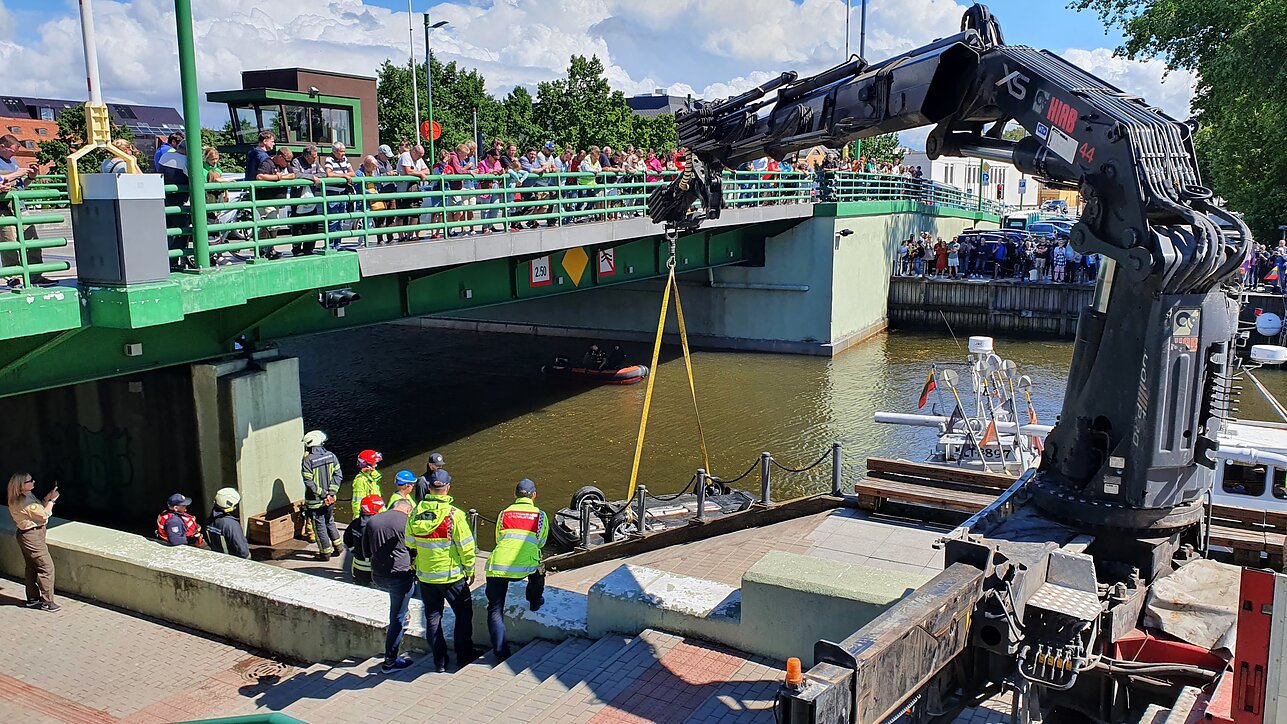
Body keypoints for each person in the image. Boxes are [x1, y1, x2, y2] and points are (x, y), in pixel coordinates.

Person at [405, 471, 477, 672]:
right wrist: (470, 569)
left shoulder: (416, 512)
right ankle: (464, 656)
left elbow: (409, 542)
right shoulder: (454, 515)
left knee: (432, 617)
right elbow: (466, 547)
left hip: (426, 576)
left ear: (429, 488)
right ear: (448, 488)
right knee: (463, 614)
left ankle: (439, 661)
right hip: (451, 576)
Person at [484, 478, 549, 662]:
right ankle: (535, 601)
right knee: (538, 573)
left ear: (515, 495)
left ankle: (500, 652)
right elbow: (541, 542)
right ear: (534, 495)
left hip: (498, 566)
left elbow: (498, 538)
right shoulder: (540, 516)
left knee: (495, 610)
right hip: (525, 566)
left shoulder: (504, 514)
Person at [365, 496, 416, 673]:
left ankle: (406, 613)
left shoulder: (373, 520)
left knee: (399, 609)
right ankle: (390, 661)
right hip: (400, 575)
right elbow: (414, 548)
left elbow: (364, 550)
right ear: (408, 510)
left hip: (378, 575)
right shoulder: (407, 522)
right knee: (397, 618)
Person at [0, 134, 53, 287]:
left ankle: (36, 275)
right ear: (2, 146)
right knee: (9, 242)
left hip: (20, 206)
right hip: (4, 209)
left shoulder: (13, 161)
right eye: (11, 151)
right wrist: (15, 175)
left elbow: (20, 186)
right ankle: (13, 277)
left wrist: (30, 177)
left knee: (32, 241)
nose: (13, 154)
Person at [6, 472, 59, 611]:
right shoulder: (25, 501)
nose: (34, 482)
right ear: (21, 485)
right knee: (46, 567)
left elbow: (38, 509)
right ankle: (48, 602)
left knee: (31, 567)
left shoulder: (22, 497)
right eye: (30, 481)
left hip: (26, 535)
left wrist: (47, 498)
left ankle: (33, 598)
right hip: (32, 536)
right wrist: (52, 501)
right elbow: (43, 516)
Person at [301, 429, 344, 561]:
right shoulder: (331, 455)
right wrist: (331, 492)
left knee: (319, 525)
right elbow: (338, 475)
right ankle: (338, 547)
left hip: (316, 501)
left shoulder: (308, 460)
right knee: (330, 521)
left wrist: (322, 494)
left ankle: (325, 553)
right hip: (331, 499)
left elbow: (308, 481)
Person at [289, 144, 326, 256]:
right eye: (313, 157)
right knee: (298, 225)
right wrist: (311, 177)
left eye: (316, 156)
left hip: (311, 198)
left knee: (312, 225)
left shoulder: (315, 162)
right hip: (298, 197)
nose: (315, 159)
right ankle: (296, 249)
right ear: (306, 156)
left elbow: (323, 174)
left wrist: (310, 176)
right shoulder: (296, 162)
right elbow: (295, 174)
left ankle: (308, 248)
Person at [345, 494, 384, 586]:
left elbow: (347, 539)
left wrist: (355, 550)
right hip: (373, 570)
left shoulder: (355, 523)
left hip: (357, 568)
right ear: (374, 508)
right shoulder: (376, 527)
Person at [206, 487, 250, 559]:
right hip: (233, 562)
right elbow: (243, 551)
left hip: (219, 559)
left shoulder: (211, 519)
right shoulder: (231, 524)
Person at [351, 449, 384, 519]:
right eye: (374, 463)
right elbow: (357, 503)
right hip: (368, 517)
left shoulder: (373, 478)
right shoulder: (360, 481)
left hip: (377, 514)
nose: (376, 465)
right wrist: (359, 521)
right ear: (367, 466)